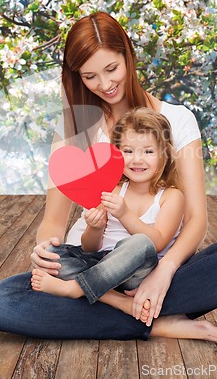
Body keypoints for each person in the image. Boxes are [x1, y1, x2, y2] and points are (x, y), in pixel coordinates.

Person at [0, 11, 217, 342]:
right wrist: (45, 248)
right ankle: (153, 321)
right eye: (89, 76)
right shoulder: (73, 129)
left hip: (155, 266)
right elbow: (53, 222)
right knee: (1, 302)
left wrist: (162, 273)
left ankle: (127, 306)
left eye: (111, 69)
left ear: (127, 56)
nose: (104, 84)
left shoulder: (178, 120)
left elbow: (197, 221)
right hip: (88, 263)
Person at [30, 108, 184, 324]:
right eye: (128, 151)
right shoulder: (112, 189)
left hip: (137, 273)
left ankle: (75, 289)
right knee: (50, 253)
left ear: (164, 154)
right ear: (117, 152)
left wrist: (124, 213)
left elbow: (156, 243)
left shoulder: (170, 196)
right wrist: (94, 228)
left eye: (148, 152)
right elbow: (90, 249)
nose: (137, 160)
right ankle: (115, 300)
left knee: (139, 243)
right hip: (99, 265)